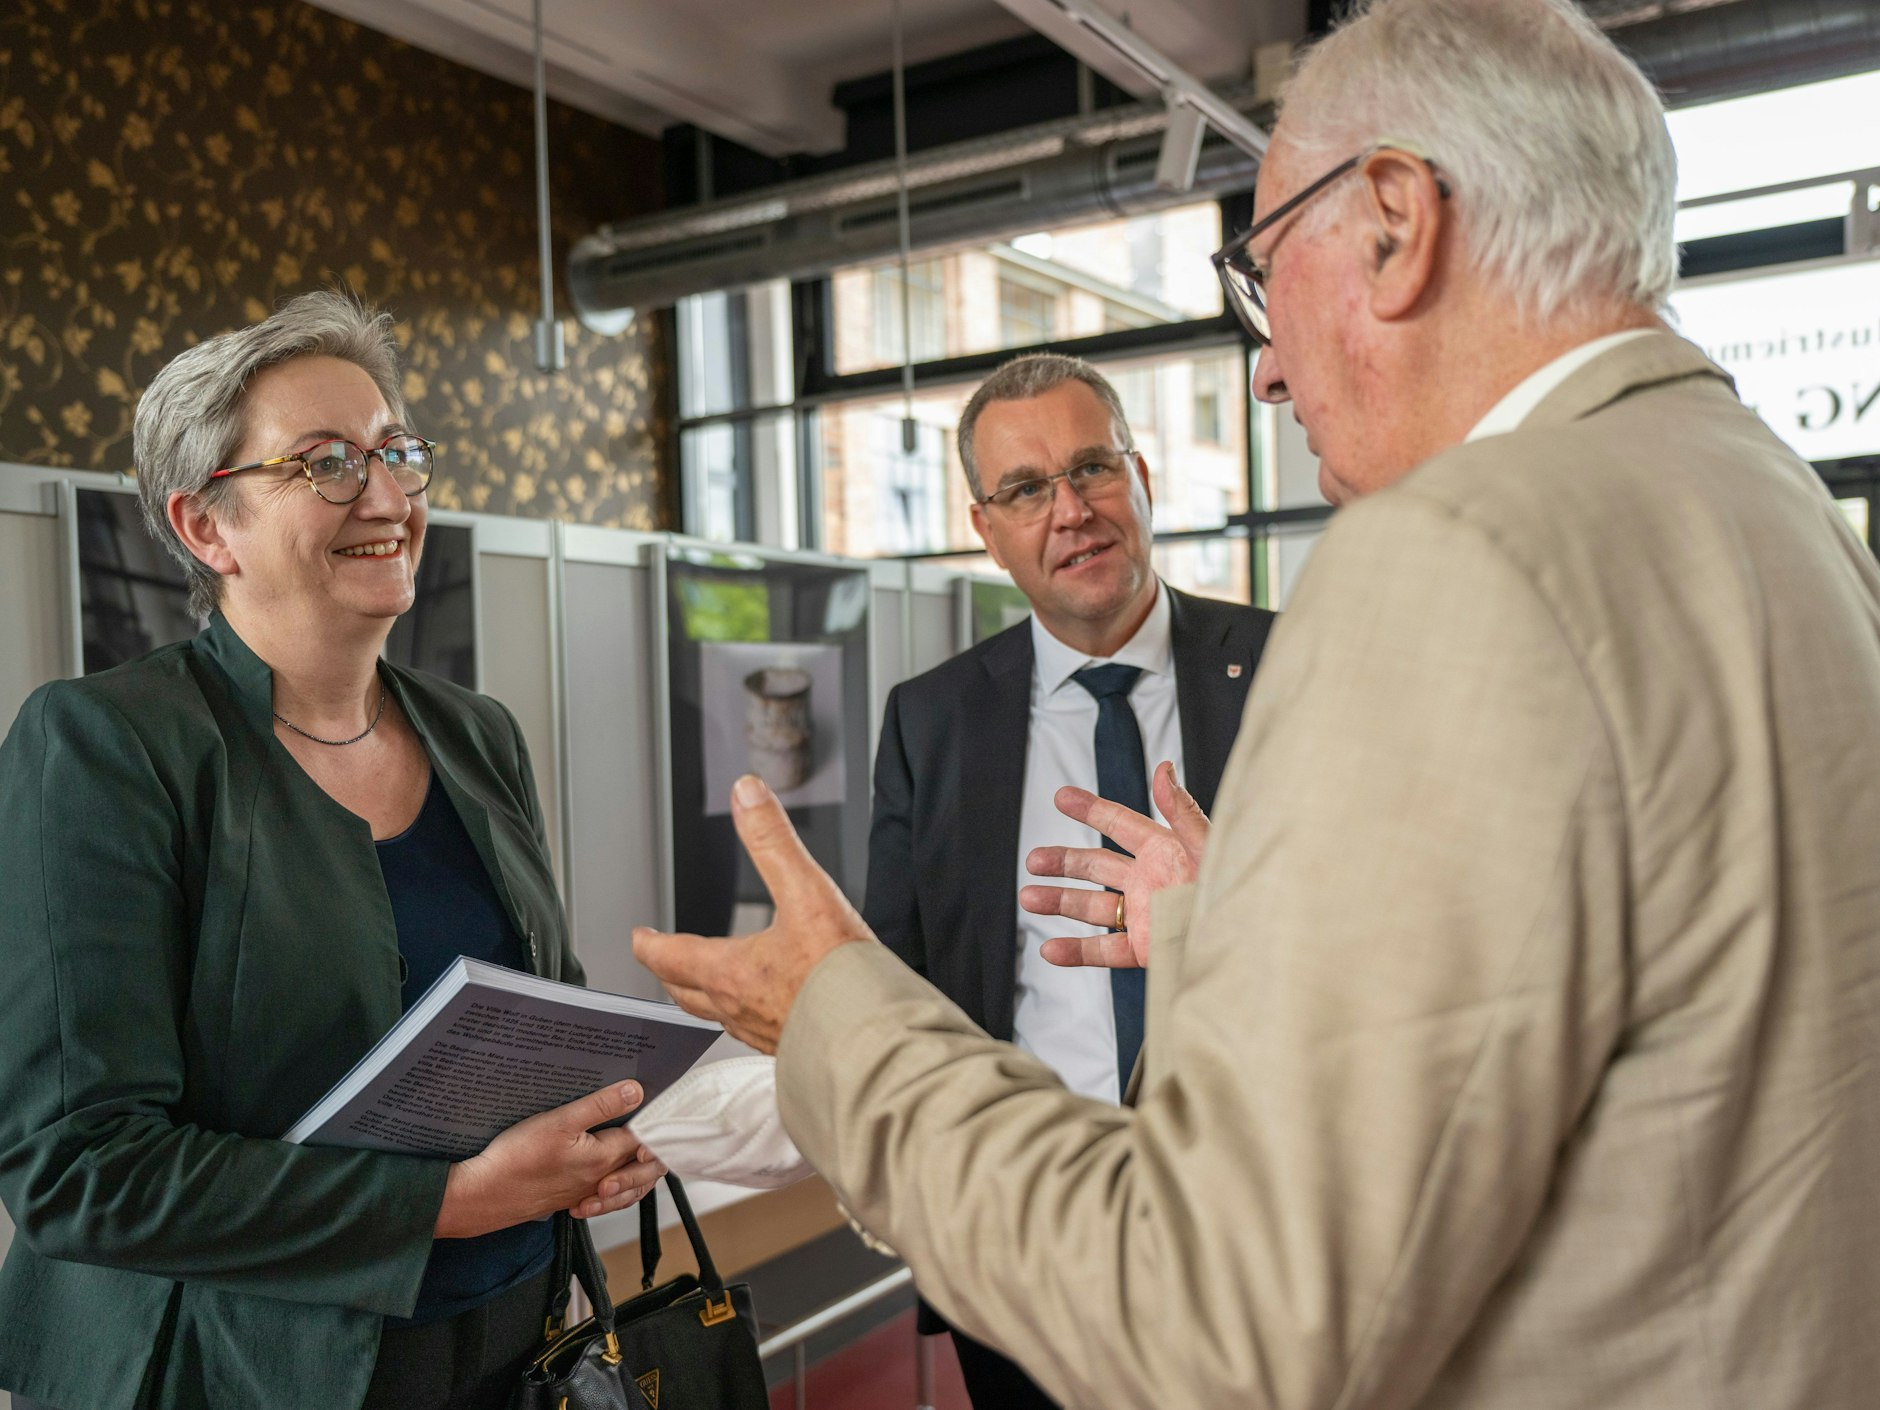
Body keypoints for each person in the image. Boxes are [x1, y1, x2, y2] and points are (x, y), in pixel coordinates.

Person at [631, 1, 1880, 1406]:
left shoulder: (1454, 554)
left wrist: (831, 1016)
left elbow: (1225, 1321)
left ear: (1398, 221)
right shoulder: (1782, 507)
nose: (1269, 362)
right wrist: (1243, 925)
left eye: (1262, 269)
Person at [0, 291, 663, 1410]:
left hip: (513, 1342)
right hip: (241, 1369)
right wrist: (444, 1202)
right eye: (326, 465)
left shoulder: (475, 732)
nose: (392, 497)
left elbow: (532, 1012)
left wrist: (589, 1130)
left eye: (397, 452)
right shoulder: (106, 744)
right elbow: (80, 1173)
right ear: (207, 527)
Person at [865, 353, 1273, 1408]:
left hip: (1264, 1227)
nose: (1071, 510)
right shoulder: (930, 720)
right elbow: (901, 983)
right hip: (1028, 1234)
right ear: (983, 527)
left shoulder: (1290, 666)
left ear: (1141, 478)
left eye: (1092, 467)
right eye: (1025, 488)